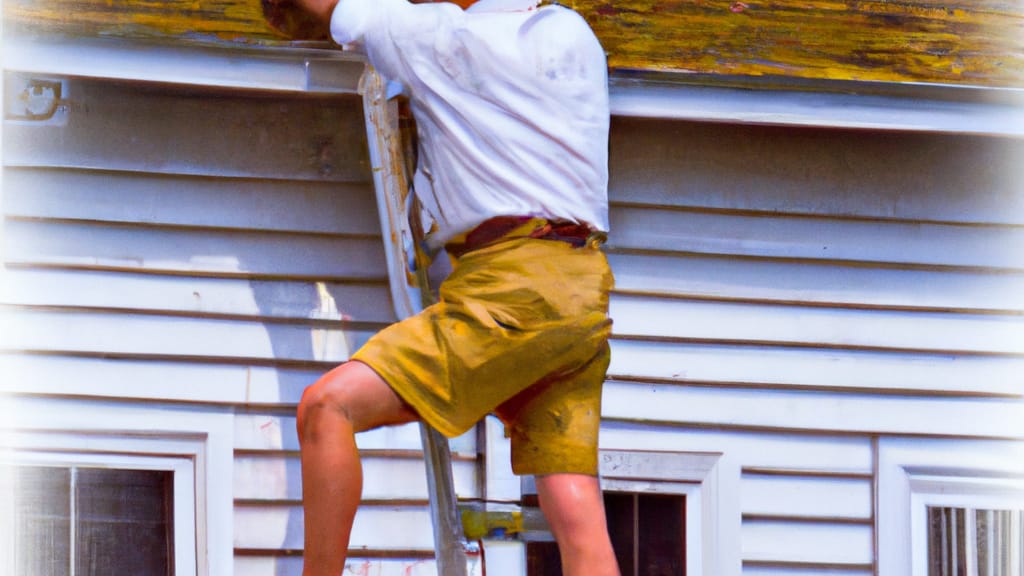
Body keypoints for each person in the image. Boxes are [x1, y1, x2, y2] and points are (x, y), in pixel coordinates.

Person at [290, 0, 619, 574]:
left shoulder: (437, 36)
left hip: (512, 289)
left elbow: (318, 7)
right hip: (583, 291)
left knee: (326, 407)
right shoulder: (573, 33)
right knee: (575, 510)